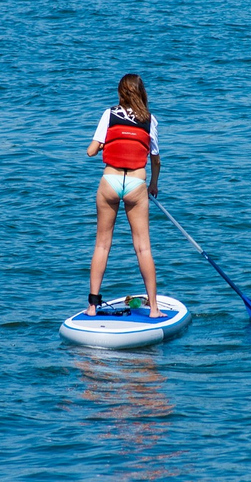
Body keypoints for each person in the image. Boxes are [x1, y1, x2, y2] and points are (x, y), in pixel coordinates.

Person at [85, 74, 166, 318]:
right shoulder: (149, 119)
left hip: (109, 182)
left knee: (102, 245)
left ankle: (92, 307)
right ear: (142, 93)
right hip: (135, 184)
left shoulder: (108, 114)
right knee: (143, 248)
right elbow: (156, 159)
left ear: (120, 93)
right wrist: (153, 184)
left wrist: (102, 145)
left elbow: (90, 152)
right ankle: (154, 309)